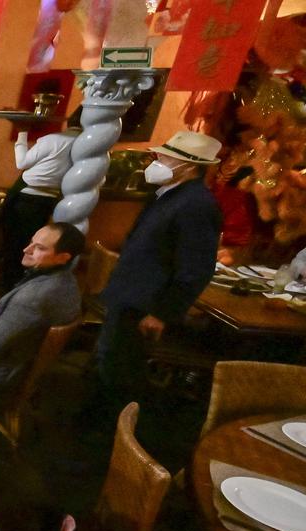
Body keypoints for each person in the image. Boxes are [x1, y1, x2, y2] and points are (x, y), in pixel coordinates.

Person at [93, 130, 222, 410]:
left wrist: (163, 312)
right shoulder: (169, 194)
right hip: (131, 294)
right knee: (110, 359)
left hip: (145, 302)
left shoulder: (196, 204)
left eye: (164, 157)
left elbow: (195, 267)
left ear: (189, 166)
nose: (156, 160)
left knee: (121, 369)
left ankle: (117, 432)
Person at [0, 223, 85, 409]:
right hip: (20, 366)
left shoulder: (33, 298)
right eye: (31, 242)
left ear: (63, 257)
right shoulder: (68, 281)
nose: (26, 250)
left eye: (40, 248)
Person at [0, 112, 80, 290]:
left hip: (27, 195)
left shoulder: (54, 139)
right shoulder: (87, 146)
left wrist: (22, 133)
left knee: (15, 242)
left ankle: (8, 285)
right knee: (31, 244)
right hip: (49, 199)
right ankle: (19, 284)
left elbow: (22, 163)